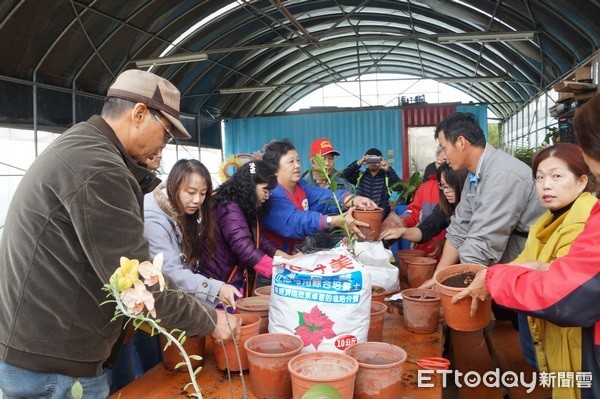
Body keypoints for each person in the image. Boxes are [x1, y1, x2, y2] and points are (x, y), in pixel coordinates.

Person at [0, 69, 239, 398]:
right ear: (139, 113)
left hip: (43, 348)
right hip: (54, 364)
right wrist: (209, 319)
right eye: (166, 134)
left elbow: (139, 185)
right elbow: (138, 283)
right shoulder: (98, 168)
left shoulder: (87, 146)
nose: (163, 145)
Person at [453, 97, 600, 399]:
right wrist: (531, 267)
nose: (546, 185)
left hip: (576, 340)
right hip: (554, 334)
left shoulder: (585, 219)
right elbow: (539, 263)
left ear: (584, 176)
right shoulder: (545, 220)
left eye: (557, 177)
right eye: (540, 177)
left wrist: (493, 278)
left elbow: (567, 293)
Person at [421, 112, 545, 364]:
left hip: (533, 266)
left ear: (462, 142)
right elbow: (460, 226)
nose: (443, 156)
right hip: (513, 263)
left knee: (535, 342)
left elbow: (483, 242)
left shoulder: (502, 175)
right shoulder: (477, 173)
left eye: (444, 147)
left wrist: (450, 293)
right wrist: (438, 277)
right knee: (525, 333)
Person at [144, 159, 242, 308]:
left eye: (203, 193)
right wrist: (216, 288)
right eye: (190, 192)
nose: (197, 200)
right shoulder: (154, 219)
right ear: (173, 187)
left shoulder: (183, 210)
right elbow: (169, 272)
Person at [197, 160, 298, 295]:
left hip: (226, 274)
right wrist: (281, 271)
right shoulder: (229, 208)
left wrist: (283, 257)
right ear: (251, 186)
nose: (267, 197)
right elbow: (244, 248)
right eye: (265, 190)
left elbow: (257, 237)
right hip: (218, 280)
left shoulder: (239, 203)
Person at [260, 139, 377, 255]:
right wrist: (334, 220)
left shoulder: (300, 186)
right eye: (291, 162)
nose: (297, 166)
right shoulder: (271, 194)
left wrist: (354, 200)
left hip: (296, 254)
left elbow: (323, 197)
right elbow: (295, 222)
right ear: (274, 169)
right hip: (275, 261)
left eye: (298, 160)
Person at [379, 163, 469, 257]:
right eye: (443, 186)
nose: (446, 191)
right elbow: (427, 229)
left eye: (451, 186)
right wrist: (402, 231)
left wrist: (446, 243)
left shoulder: (473, 207)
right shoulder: (444, 206)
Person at [302, 137, 354, 249]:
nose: (327, 164)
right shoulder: (304, 186)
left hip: (340, 241)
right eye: (322, 158)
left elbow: (353, 211)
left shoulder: (343, 184)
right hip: (313, 243)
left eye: (330, 159)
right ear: (312, 161)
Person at [340, 147, 401, 219]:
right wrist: (359, 163)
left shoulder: (387, 177)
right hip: (361, 215)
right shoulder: (360, 175)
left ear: (380, 160)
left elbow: (398, 187)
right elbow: (343, 175)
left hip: (382, 218)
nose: (373, 162)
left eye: (376, 159)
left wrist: (388, 169)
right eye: (370, 159)